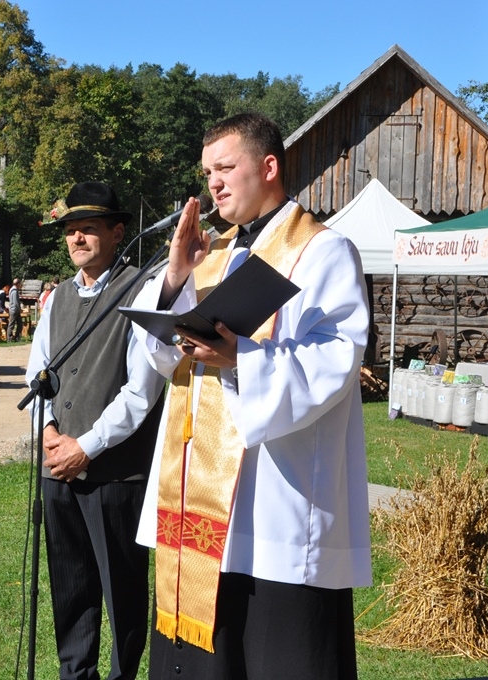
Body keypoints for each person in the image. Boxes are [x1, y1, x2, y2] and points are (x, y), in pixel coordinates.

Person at [132, 113, 371, 679]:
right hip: (197, 489)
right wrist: (174, 277)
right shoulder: (209, 255)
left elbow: (339, 358)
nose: (213, 183)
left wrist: (242, 357)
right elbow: (161, 356)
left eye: (225, 168)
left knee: (271, 651)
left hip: (276, 492)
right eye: (207, 172)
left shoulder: (323, 250)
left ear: (268, 167)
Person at [26, 181, 166, 680]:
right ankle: (76, 674)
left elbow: (140, 393)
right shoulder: (56, 299)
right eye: (71, 230)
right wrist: (47, 433)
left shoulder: (141, 291)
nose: (77, 238)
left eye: (89, 228)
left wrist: (84, 447)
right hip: (57, 471)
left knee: (122, 592)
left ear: (117, 232)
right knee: (70, 590)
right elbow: (36, 374)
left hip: (115, 475)